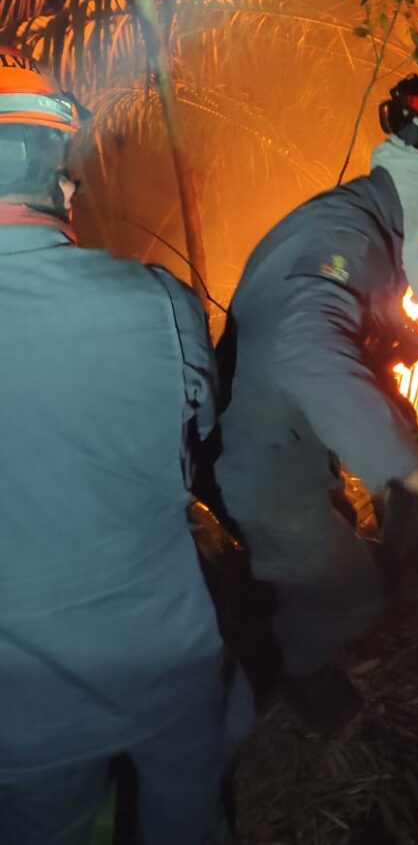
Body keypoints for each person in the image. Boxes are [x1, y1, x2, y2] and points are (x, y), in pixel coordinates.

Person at [215, 62, 418, 729]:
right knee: (353, 594)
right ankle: (286, 670)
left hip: (273, 431)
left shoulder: (359, 220)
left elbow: (336, 306)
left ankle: (267, 598)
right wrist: (407, 474)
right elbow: (305, 344)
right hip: (257, 463)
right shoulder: (344, 234)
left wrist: (389, 332)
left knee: (334, 544)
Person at [0, 47, 234, 845]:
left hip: (24, 713)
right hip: (168, 667)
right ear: (63, 175)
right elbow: (198, 447)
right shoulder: (160, 299)